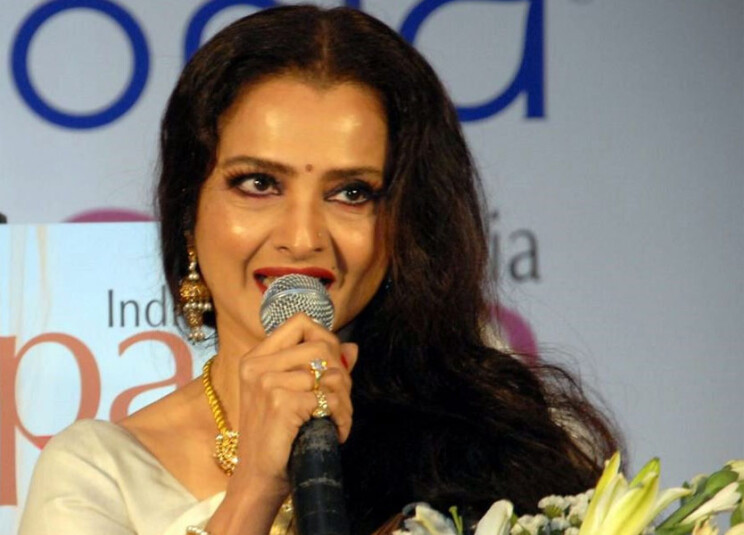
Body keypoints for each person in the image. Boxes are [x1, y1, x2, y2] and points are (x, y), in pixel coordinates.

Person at [19, 5, 621, 535]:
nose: (304, 238)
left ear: (407, 225)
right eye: (259, 184)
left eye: (352, 193)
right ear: (187, 213)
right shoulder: (96, 475)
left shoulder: (501, 446)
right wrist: (255, 488)